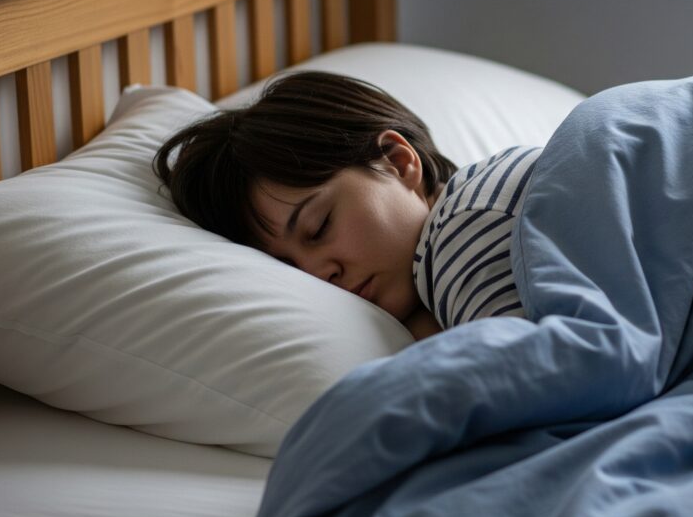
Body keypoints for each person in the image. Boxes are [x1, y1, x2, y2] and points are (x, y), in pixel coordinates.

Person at [154, 71, 541, 342]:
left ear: (398, 161)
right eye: (288, 267)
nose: (319, 274)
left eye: (319, 226)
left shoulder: (463, 235)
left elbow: (541, 388)